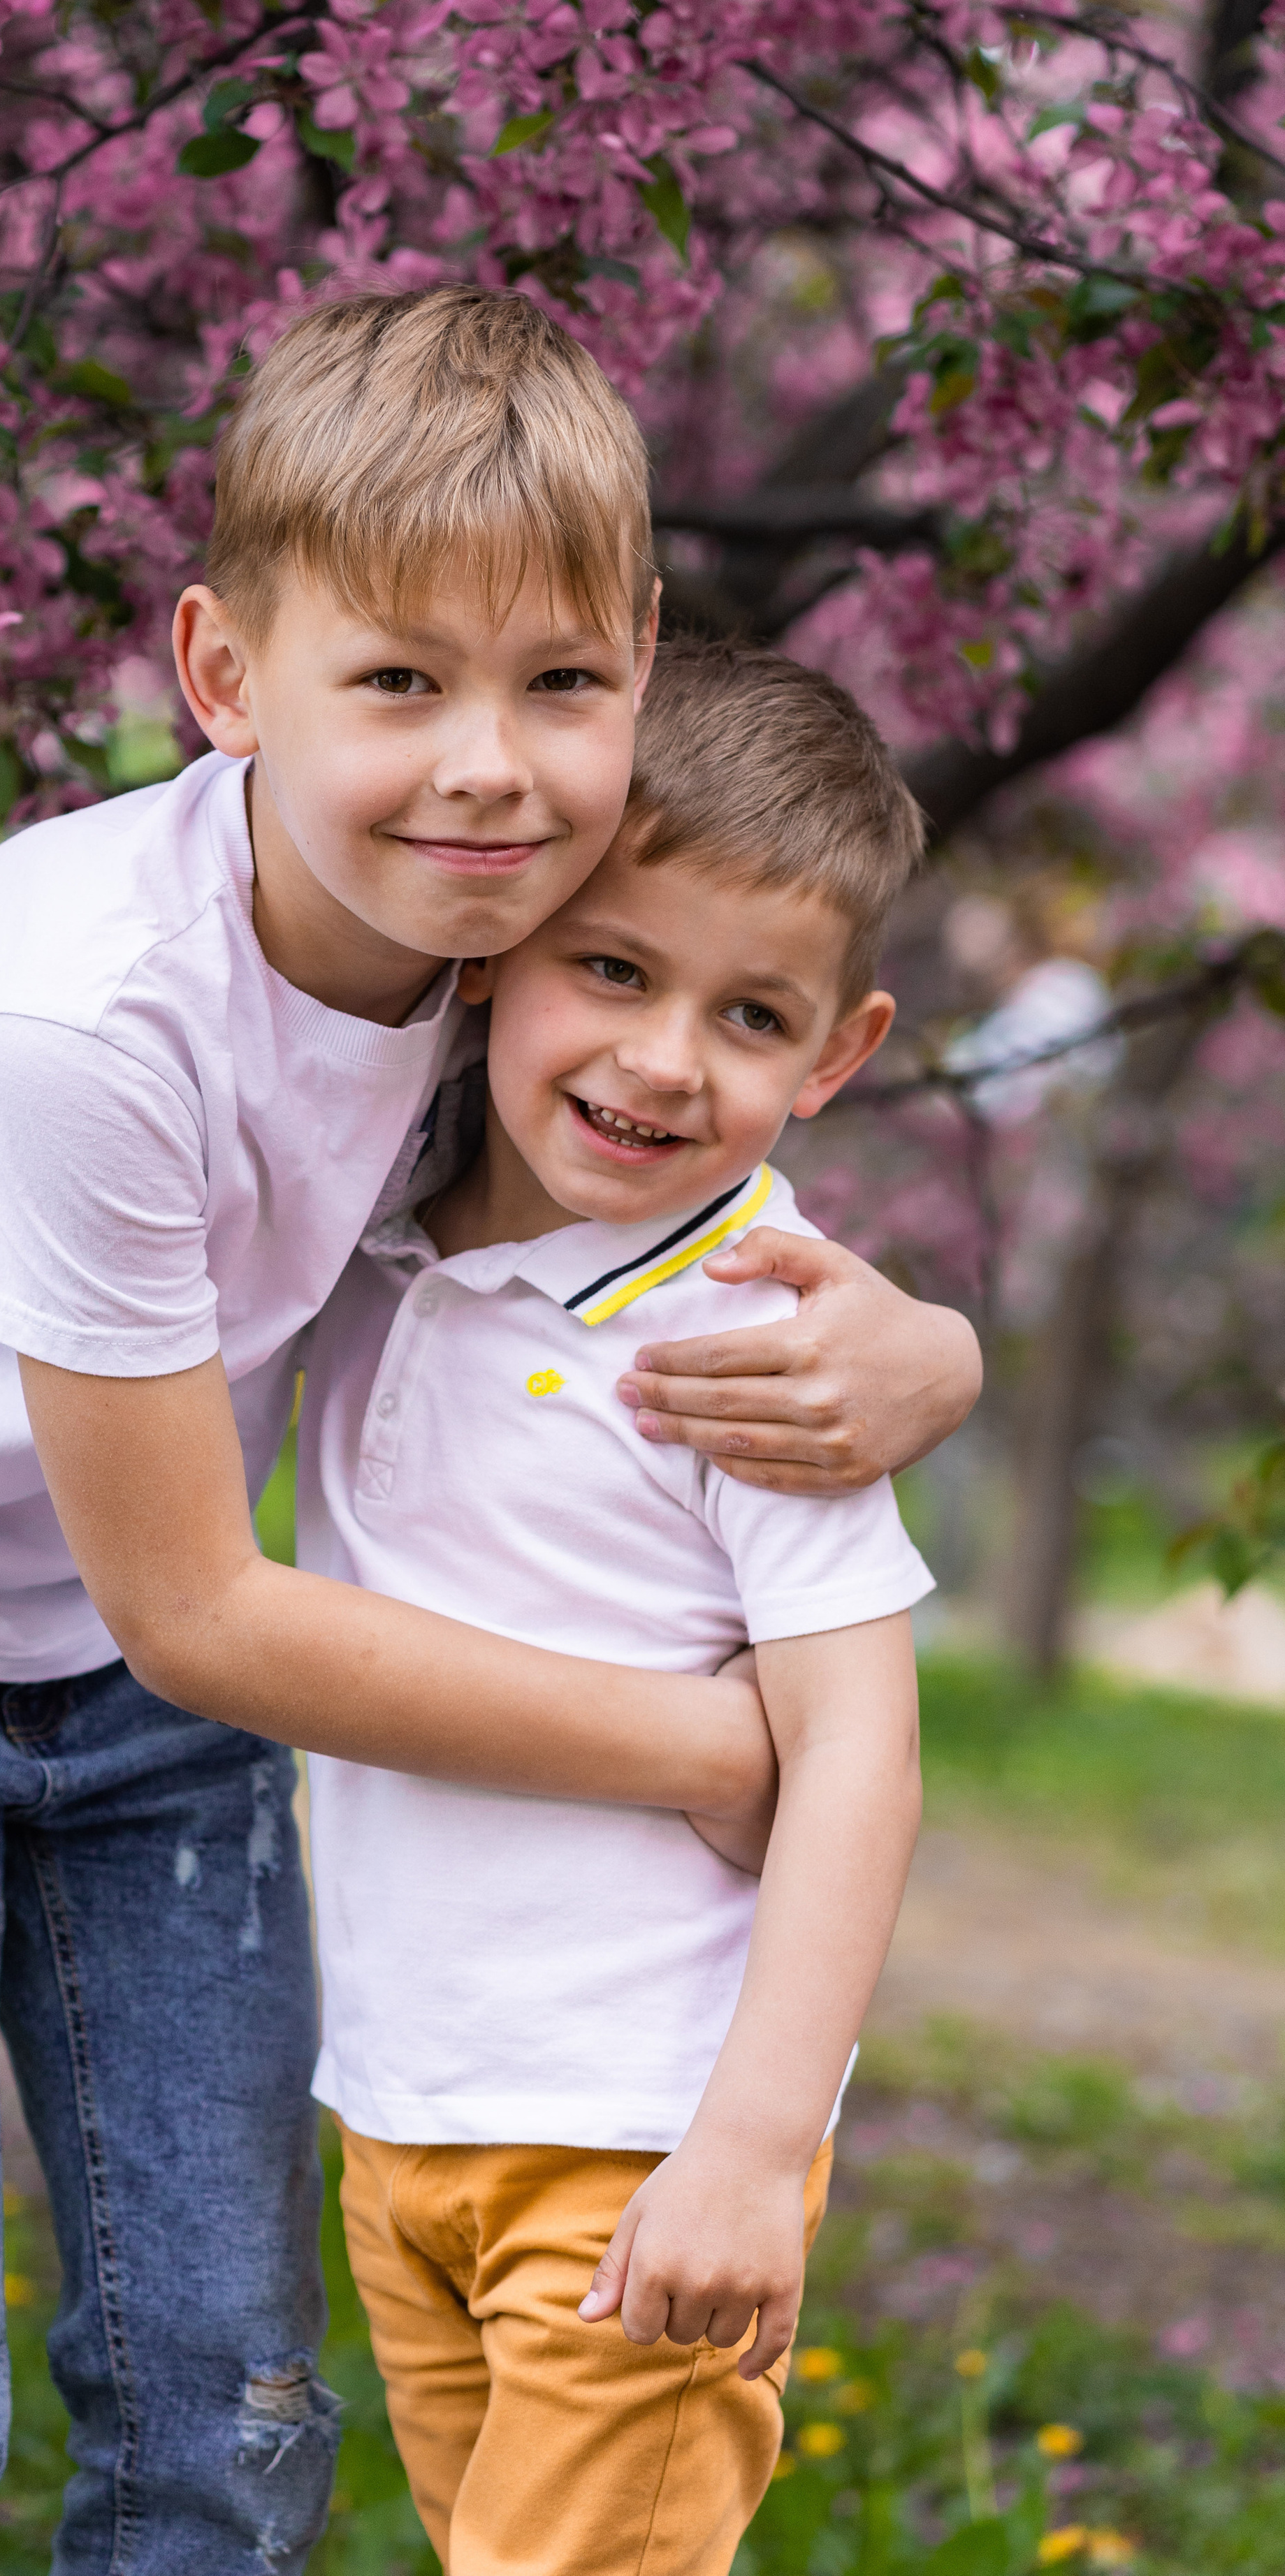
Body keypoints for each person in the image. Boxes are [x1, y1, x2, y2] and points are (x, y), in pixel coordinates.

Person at [0, 290, 978, 2572]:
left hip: (134, 1653)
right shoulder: (81, 1025)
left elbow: (678, 1184)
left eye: (559, 684)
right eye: (399, 682)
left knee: (225, 2372)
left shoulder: (511, 963)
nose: (488, 770)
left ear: (639, 658)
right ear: (226, 680)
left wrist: (931, 1350)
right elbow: (207, 1608)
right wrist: (719, 1754)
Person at [300, 639, 933, 2576]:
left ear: (835, 1055)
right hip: (404, 2117)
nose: (666, 1059)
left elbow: (858, 1756)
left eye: (753, 1016)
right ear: (495, 940)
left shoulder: (765, 1333)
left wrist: (747, 2152)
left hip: (639, 2137)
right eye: (615, 968)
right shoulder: (371, 1224)